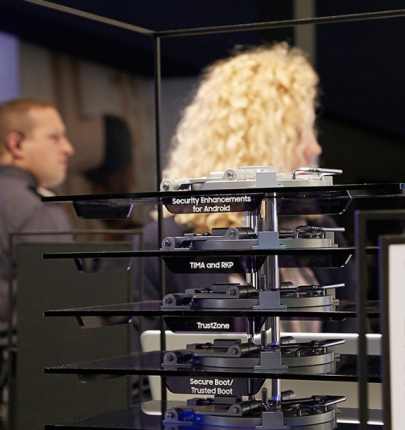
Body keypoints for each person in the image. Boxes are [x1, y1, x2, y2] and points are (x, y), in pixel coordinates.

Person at [135, 43, 351, 354]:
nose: (314, 147)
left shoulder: (321, 232)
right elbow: (147, 367)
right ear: (261, 147)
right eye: (299, 134)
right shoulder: (165, 243)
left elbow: (356, 352)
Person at [0, 98, 74, 430]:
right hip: (22, 391)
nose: (68, 148)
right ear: (16, 144)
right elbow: (59, 314)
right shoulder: (37, 209)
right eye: (55, 137)